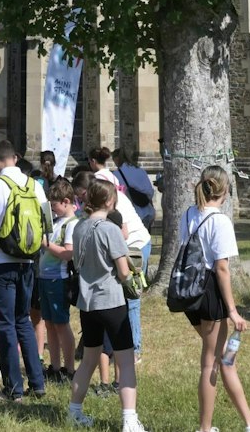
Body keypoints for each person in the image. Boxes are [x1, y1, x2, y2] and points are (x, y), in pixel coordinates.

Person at [180, 165, 250, 432]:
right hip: (210, 296)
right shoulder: (219, 221)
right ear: (225, 189)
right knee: (212, 362)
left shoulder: (188, 214)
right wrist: (232, 310)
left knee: (224, 359)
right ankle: (206, 428)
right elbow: (222, 268)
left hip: (190, 293)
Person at [69, 178, 145, 431]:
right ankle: (129, 419)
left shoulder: (79, 228)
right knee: (125, 360)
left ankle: (74, 411)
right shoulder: (110, 229)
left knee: (89, 359)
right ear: (110, 201)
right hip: (111, 301)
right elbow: (123, 272)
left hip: (87, 302)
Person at [0, 140, 50, 401]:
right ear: (16, 158)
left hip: (1, 263)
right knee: (23, 321)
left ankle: (13, 388)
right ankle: (37, 382)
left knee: (5, 325)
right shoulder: (35, 186)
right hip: (28, 263)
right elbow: (46, 227)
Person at [88, 146, 152, 362]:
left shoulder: (112, 204)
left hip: (135, 245)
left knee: (131, 297)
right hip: (127, 245)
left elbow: (122, 233)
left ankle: (135, 349)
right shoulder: (106, 198)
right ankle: (115, 346)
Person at [38, 177, 79, 385]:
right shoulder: (56, 221)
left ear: (65, 201)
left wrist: (46, 245)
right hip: (45, 278)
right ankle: (54, 367)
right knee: (49, 324)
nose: (53, 210)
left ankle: (70, 368)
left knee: (61, 324)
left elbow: (68, 253)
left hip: (59, 279)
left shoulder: (72, 224)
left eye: (54, 206)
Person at [112, 151, 157, 233]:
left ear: (116, 159)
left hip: (131, 215)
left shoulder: (116, 174)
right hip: (147, 211)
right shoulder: (141, 171)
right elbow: (150, 192)